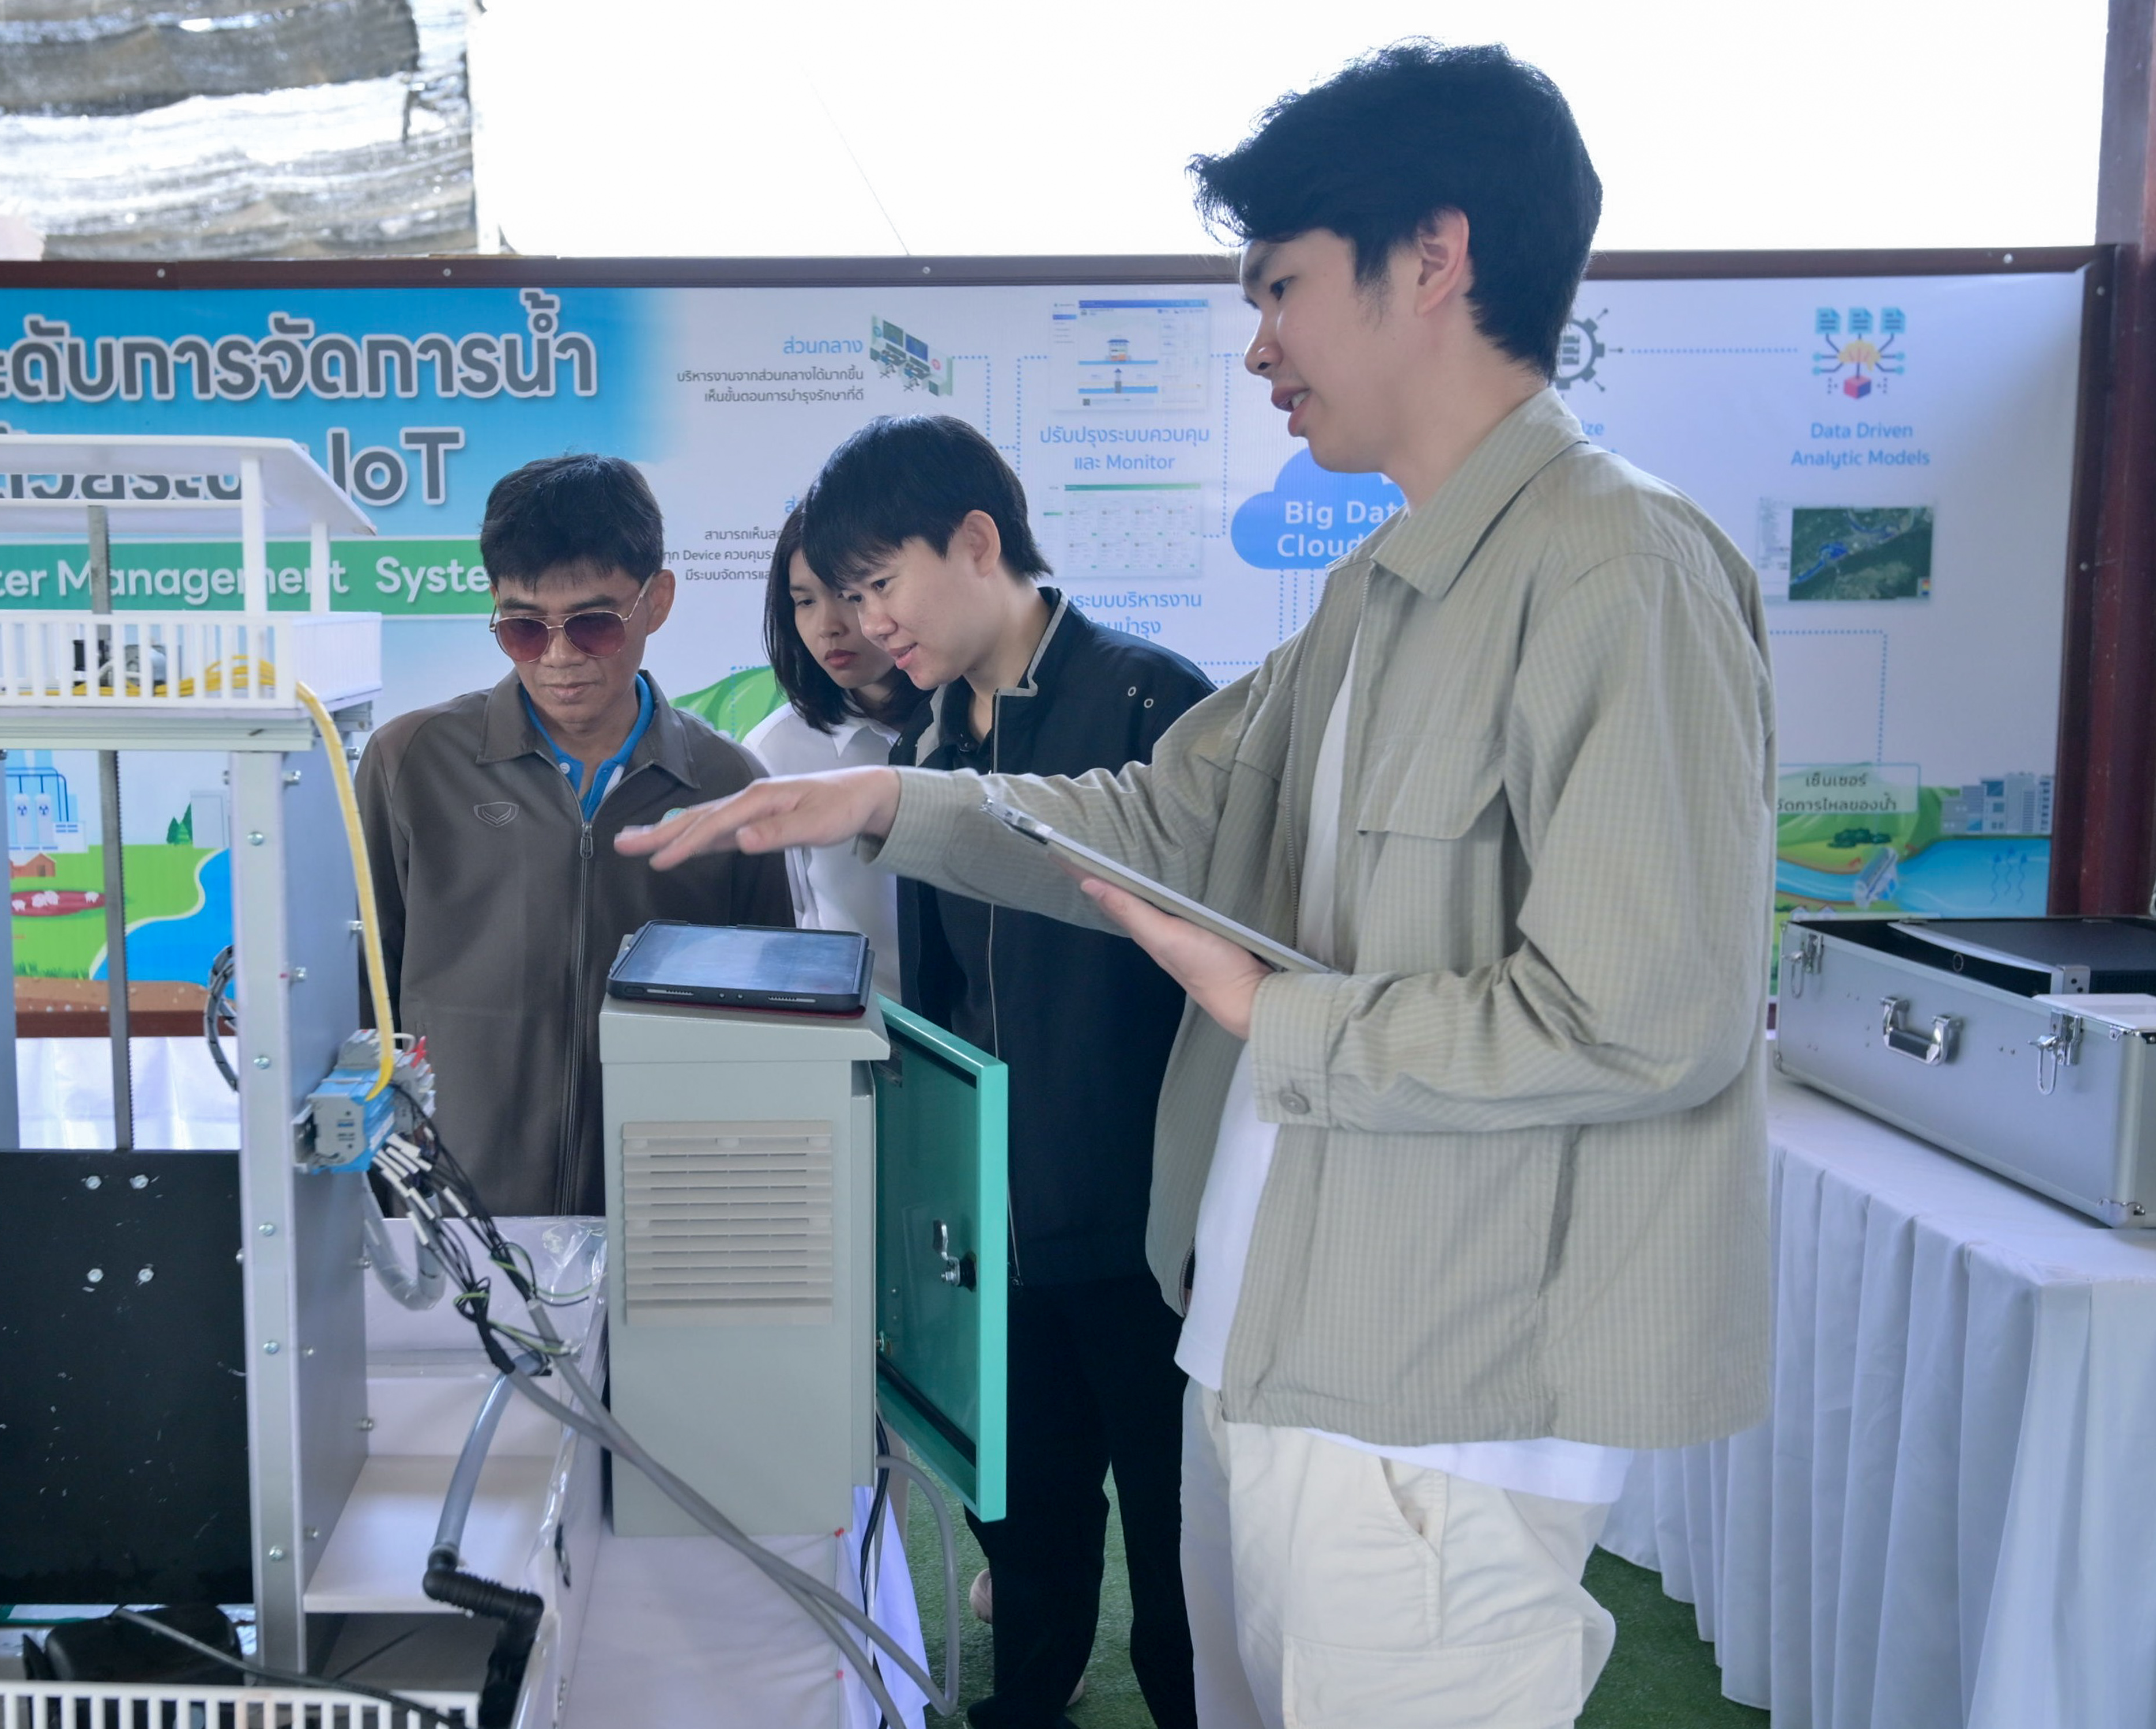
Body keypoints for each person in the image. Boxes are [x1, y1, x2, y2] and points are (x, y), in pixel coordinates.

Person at [618, 41, 1776, 1729]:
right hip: (1269, 1331)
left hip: (1433, 1396)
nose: (1258, 345)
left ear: (1433, 259)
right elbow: (1158, 815)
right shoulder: (1383, 584)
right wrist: (889, 800)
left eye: (1281, 287)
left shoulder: (1617, 568)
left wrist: (1277, 1014)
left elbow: (1646, 1021)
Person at [804, 415, 1211, 1729]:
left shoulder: (1154, 704)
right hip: (994, 1231)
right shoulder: (924, 750)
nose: (867, 622)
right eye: (846, 594)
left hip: (1149, 1234)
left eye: (881, 582)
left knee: (1180, 1554)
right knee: (1023, 1536)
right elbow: (941, 1000)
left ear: (977, 541)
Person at [355, 452, 791, 1217]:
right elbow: (361, 1000)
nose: (559, 657)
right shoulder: (410, 765)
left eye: (593, 625)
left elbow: (766, 1034)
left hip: (665, 1216)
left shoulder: (729, 786)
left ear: (657, 601)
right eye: (523, 628)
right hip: (449, 1221)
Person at [745, 508, 926, 1001]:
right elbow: (786, 931)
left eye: (849, 595)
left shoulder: (979, 723)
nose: (828, 626)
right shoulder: (775, 750)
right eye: (805, 601)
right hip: (857, 1030)